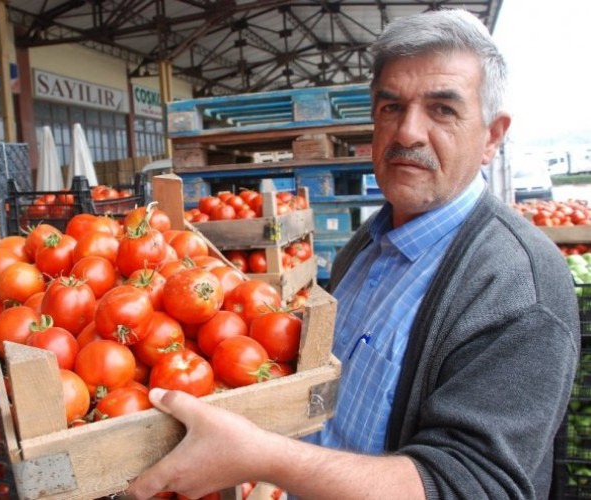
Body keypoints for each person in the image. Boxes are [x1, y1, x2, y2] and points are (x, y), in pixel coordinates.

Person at [128, 8, 580, 500]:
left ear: (492, 136)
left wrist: (264, 456)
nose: (408, 132)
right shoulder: (365, 247)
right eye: (391, 107)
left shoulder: (517, 284)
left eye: (443, 110)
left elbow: (472, 486)